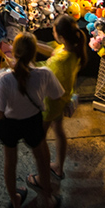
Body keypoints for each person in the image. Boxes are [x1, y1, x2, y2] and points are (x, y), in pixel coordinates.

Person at [0, 32, 64, 208]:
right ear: (34, 53)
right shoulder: (44, 74)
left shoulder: (4, 78)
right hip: (33, 121)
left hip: (10, 124)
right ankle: (48, 198)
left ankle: (15, 201)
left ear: (14, 52)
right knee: (42, 158)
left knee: (10, 162)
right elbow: (57, 95)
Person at [39, 15, 85, 181]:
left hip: (51, 104)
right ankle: (58, 166)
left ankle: (42, 177)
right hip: (62, 99)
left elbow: (41, 72)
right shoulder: (72, 49)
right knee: (59, 131)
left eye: (53, 31)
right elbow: (51, 49)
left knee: (39, 140)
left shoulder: (60, 61)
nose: (52, 33)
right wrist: (32, 44)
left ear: (61, 37)